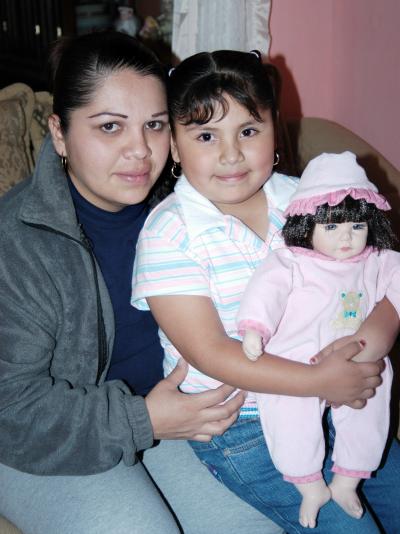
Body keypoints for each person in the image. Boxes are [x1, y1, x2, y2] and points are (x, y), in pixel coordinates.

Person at [0, 31, 294, 534]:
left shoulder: (187, 204)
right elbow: (12, 408)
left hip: (174, 418)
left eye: (154, 125)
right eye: (110, 127)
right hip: (48, 440)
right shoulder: (18, 241)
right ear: (60, 132)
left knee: (272, 521)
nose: (139, 151)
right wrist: (143, 420)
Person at [131, 50, 400, 533]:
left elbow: (386, 280)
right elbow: (212, 351)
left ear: (275, 130)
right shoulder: (169, 233)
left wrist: (368, 346)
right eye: (206, 136)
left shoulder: (308, 202)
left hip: (338, 401)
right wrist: (319, 381)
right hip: (243, 424)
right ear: (173, 146)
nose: (231, 155)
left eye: (248, 132)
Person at [238, 151, 400, 528]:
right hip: (296, 362)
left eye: (357, 227)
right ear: (307, 226)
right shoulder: (292, 261)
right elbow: (267, 291)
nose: (346, 238)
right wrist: (255, 328)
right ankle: (309, 485)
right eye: (332, 227)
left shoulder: (378, 261)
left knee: (369, 411)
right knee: (288, 417)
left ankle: (348, 479)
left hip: (360, 366)